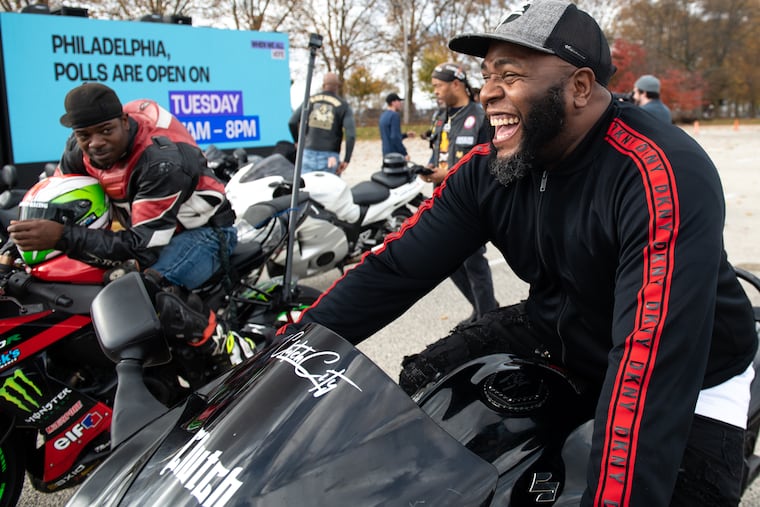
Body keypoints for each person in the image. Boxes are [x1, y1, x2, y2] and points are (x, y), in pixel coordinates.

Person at [279, 1, 758, 505]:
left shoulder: (659, 173)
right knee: (426, 384)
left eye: (509, 75)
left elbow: (648, 367)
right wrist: (279, 357)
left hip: (693, 371)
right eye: (486, 75)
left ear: (578, 87)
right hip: (559, 329)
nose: (487, 92)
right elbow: (394, 268)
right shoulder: (488, 168)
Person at [8, 82, 238, 347]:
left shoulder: (160, 163)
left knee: (144, 291)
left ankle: (224, 346)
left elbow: (142, 249)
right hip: (148, 231)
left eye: (106, 130)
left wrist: (62, 236)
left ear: (124, 122)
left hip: (206, 233)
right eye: (85, 135)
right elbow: (56, 202)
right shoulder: (77, 150)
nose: (96, 143)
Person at [426, 61, 499, 325]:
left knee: (473, 261)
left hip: (471, 200)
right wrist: (431, 169)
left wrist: (447, 175)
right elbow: (440, 152)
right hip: (442, 199)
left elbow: (489, 161)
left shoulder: (480, 116)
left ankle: (489, 321)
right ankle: (482, 309)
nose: (434, 91)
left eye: (438, 86)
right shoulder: (440, 117)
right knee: (448, 261)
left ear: (455, 84)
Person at [288, 72, 356, 175]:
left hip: (307, 153)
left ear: (323, 85)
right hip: (330, 157)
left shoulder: (310, 101)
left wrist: (297, 141)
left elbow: (292, 121)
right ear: (337, 86)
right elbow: (350, 135)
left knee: (306, 188)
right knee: (329, 189)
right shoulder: (343, 106)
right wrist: (346, 159)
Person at [379, 92, 414, 159]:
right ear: (393, 102)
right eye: (399, 101)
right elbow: (395, 137)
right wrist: (404, 153)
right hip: (395, 154)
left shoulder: (383, 116)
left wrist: (406, 135)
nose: (400, 103)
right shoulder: (394, 115)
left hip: (386, 153)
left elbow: (388, 136)